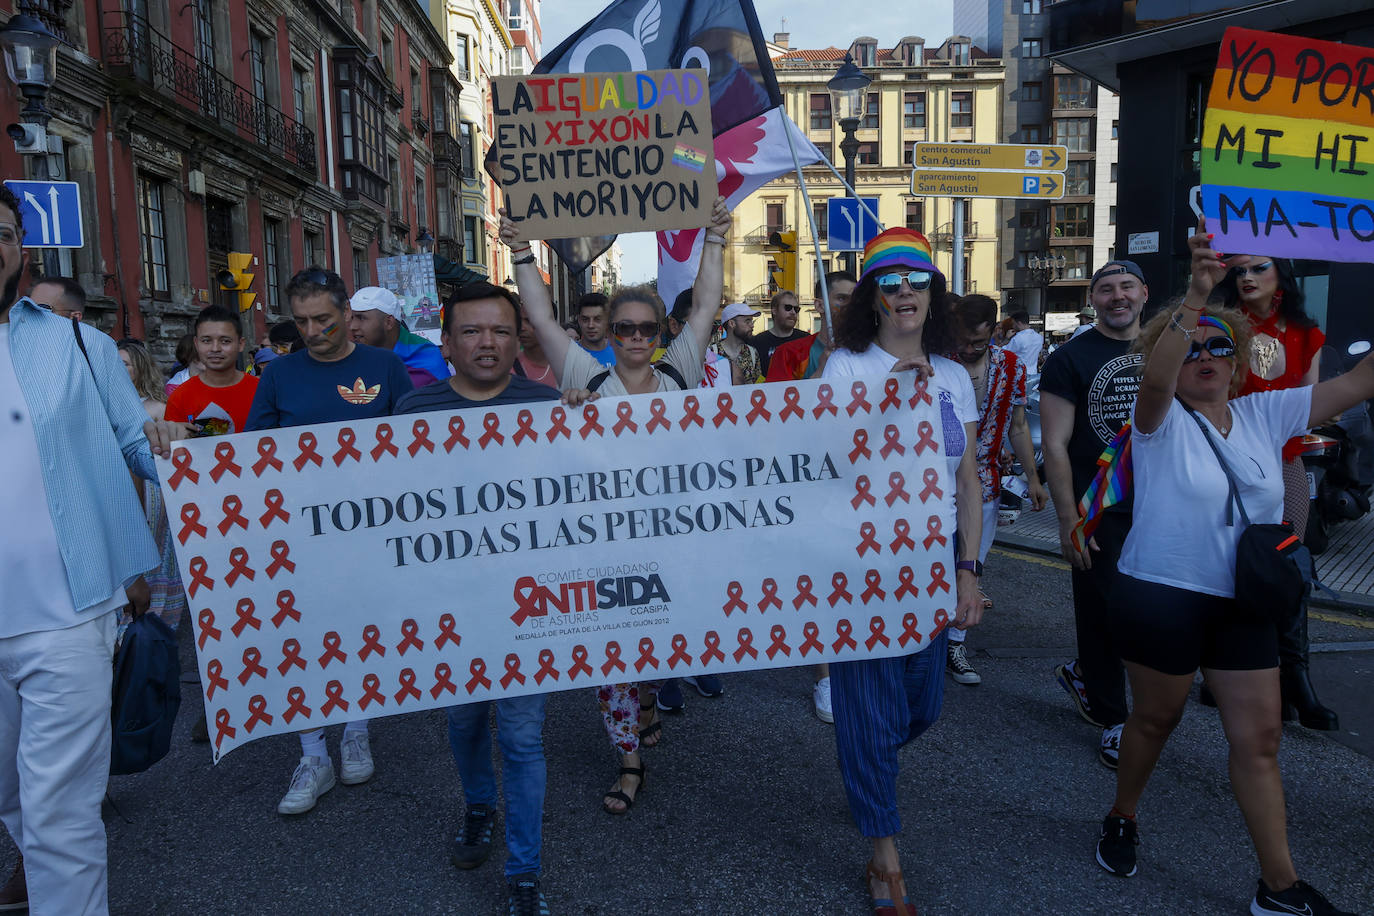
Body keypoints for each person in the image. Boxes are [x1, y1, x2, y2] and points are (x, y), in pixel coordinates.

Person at [1093, 223, 1366, 916]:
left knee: (1261, 740)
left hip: (1244, 601)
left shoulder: (1263, 414)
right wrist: (1196, 293)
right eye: (1193, 348)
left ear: (1239, 360)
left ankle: (1278, 888)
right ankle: (1123, 814)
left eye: (1222, 346)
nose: (1207, 355)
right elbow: (1156, 378)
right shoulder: (1157, 422)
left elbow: (1360, 382)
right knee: (1156, 721)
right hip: (1163, 597)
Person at [500, 197, 730, 815]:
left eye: (644, 329)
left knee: (659, 643)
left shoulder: (680, 373)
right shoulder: (586, 377)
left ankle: (652, 692)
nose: (632, 338)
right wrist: (521, 250)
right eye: (623, 328)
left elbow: (706, 306)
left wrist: (714, 238)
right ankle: (630, 763)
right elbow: (543, 319)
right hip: (602, 547)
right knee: (613, 659)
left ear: (660, 334)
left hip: (672, 541)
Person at [0, 183, 185, 916]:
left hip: (69, 613)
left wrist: (175, 444)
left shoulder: (79, 342)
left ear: (21, 249)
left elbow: (137, 443)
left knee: (61, 810)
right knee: (12, 796)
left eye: (5, 232)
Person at [821, 227, 983, 916]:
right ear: (874, 297)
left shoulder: (953, 375)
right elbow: (827, 466)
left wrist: (968, 568)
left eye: (918, 279)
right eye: (891, 282)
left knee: (920, 706)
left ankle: (868, 768)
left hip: (934, 560)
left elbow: (968, 479)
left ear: (933, 292)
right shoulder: (846, 367)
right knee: (868, 710)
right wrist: (886, 394)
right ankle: (885, 861)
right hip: (861, 566)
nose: (906, 291)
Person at [394, 281, 559, 916]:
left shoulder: (548, 407)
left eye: (498, 331)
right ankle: (479, 805)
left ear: (517, 338)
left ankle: (525, 873)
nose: (486, 343)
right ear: (447, 343)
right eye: (471, 331)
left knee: (521, 738)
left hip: (528, 607)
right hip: (449, 609)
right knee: (463, 721)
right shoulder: (413, 413)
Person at [246, 267, 413, 815]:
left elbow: (416, 446)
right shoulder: (277, 375)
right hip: (296, 534)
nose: (314, 329)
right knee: (303, 637)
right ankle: (312, 753)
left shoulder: (386, 367)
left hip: (373, 530)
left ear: (346, 314)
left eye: (324, 318)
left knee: (362, 629)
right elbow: (247, 457)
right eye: (301, 321)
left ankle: (356, 731)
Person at [1212, 256, 1337, 730]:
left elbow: (1310, 401)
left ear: (1279, 274)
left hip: (1283, 459)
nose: (1246, 277)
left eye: (1258, 268)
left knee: (1291, 565)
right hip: (1225, 459)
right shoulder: (1218, 325)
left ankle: (1295, 679)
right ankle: (1230, 668)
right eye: (1239, 270)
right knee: (1230, 563)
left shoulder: (1307, 332)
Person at [1040, 259, 1147, 769]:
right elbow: (1056, 445)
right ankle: (1113, 718)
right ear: (1093, 300)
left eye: (1127, 286)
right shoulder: (1069, 359)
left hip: (1162, 507)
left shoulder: (1168, 351)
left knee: (1152, 614)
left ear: (1145, 294)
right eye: (1106, 289)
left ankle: (1092, 678)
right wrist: (1068, 521)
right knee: (1105, 615)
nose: (1117, 296)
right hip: (1099, 510)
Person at [763, 270, 858, 723]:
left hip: (860, 483)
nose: (846, 306)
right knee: (822, 580)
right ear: (820, 303)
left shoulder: (875, 353)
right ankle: (824, 676)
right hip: (808, 481)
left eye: (853, 299)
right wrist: (826, 368)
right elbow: (779, 415)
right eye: (838, 298)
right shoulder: (790, 353)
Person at [945, 294, 1048, 685]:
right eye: (963, 342)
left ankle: (956, 642)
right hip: (933, 482)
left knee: (972, 565)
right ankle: (924, 639)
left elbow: (1018, 425)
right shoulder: (938, 362)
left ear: (995, 331)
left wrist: (1033, 478)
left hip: (985, 480)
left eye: (978, 343)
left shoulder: (1011, 366)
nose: (969, 350)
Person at [116, 339, 187, 637]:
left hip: (151, 489)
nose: (119, 370)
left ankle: (157, 621)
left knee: (155, 550)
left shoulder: (158, 407)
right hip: (119, 486)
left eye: (125, 364)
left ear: (139, 368)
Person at [163, 305, 258, 436]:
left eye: (225, 341)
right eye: (206, 340)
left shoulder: (261, 390)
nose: (215, 348)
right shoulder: (180, 398)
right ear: (196, 344)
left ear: (241, 344)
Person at [348, 286, 452, 389]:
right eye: (351, 318)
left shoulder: (427, 356)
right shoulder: (352, 358)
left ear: (388, 322)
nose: (352, 326)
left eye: (361, 318)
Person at [750, 289, 805, 376]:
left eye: (796, 309)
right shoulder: (758, 342)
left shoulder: (806, 340)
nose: (793, 312)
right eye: (788, 308)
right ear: (774, 310)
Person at [708, 302, 762, 385]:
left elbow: (758, 386)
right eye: (747, 321)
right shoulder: (711, 352)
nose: (752, 325)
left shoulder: (753, 353)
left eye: (752, 321)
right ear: (732, 323)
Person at [1005, 309, 1044, 392]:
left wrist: (1007, 339)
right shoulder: (1039, 338)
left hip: (1018, 376)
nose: (1013, 326)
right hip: (1033, 374)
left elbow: (1004, 353)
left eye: (1013, 324)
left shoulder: (1018, 338)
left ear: (1018, 323)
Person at [573, 292, 615, 366]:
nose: (590, 325)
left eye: (597, 319)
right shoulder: (569, 354)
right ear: (579, 320)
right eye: (585, 319)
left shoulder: (620, 351)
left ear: (608, 320)